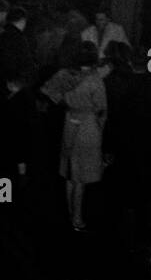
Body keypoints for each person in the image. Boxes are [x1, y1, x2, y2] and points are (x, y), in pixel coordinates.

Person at [41, 40, 107, 231]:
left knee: (70, 173)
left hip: (69, 122)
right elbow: (101, 109)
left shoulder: (65, 75)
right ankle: (77, 217)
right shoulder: (95, 80)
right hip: (88, 127)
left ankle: (69, 210)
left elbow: (48, 90)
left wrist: (65, 102)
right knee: (82, 178)